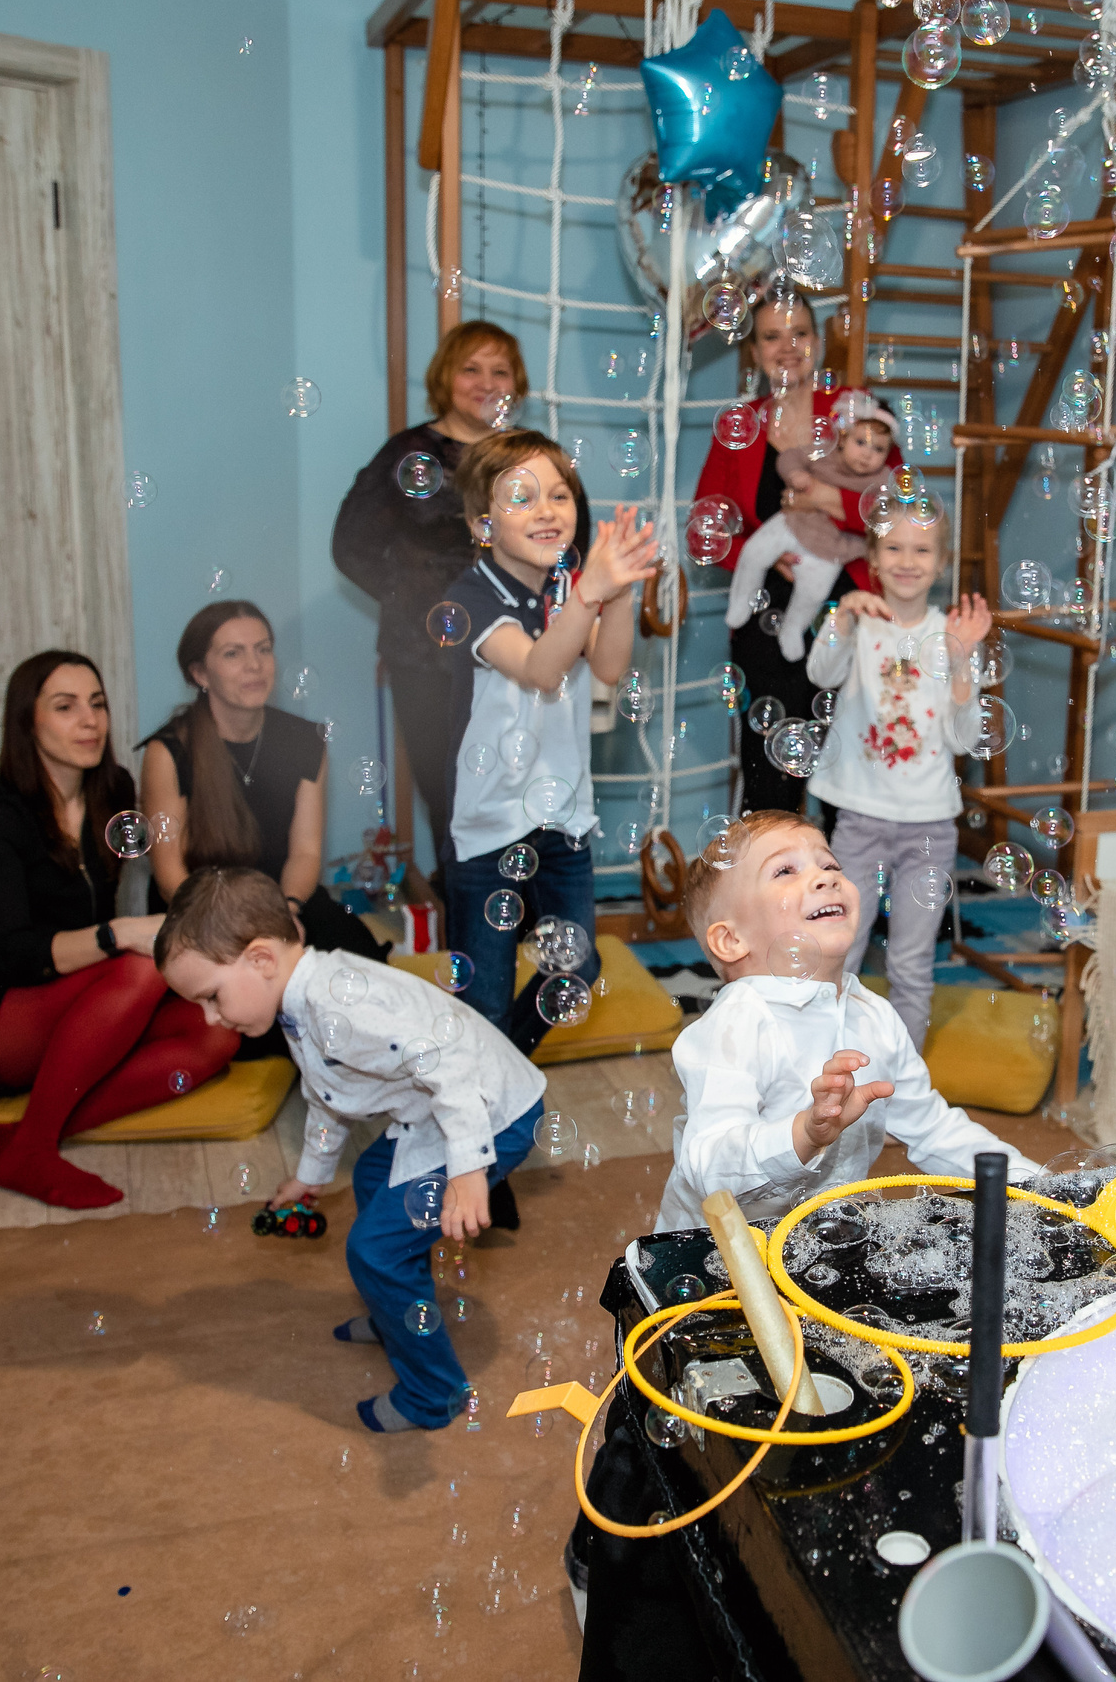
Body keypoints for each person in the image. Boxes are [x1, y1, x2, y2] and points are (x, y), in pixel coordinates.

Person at [155, 867, 545, 1434]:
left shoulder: (339, 1006)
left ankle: (434, 1394)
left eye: (211, 997)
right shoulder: (301, 1001)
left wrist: (468, 1170)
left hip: (491, 1112)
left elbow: (449, 1064)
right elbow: (328, 1097)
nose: (210, 1017)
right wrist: (310, 1178)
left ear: (262, 960)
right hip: (446, 1109)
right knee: (370, 1177)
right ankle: (399, 1312)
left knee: (372, 1250)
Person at [0, 652, 238, 1210]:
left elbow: (163, 855)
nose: (90, 721)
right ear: (29, 722)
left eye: (97, 705)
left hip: (76, 990)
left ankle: (29, 1135)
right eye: (66, 707)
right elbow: (14, 954)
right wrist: (118, 933)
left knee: (217, 1032)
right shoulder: (1, 815)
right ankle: (35, 1149)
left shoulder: (111, 790)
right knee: (139, 966)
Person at [653, 810, 1034, 1232]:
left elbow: (932, 1129)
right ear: (730, 940)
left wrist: (1037, 1185)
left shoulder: (874, 1014)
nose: (825, 877)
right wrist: (804, 1133)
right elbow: (708, 1166)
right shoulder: (737, 1024)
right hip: (718, 1257)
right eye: (784, 870)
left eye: (830, 864)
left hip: (822, 1241)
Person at [438, 430, 658, 1056]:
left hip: (560, 818)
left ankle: (496, 1071)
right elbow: (539, 668)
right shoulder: (471, 596)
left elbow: (609, 667)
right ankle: (482, 1092)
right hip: (487, 828)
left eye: (559, 495)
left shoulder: (567, 587)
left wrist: (618, 590)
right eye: (522, 497)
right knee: (482, 996)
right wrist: (590, 593)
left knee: (577, 970)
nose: (547, 510)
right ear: (484, 523)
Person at [332, 321, 529, 873]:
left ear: (518, 384)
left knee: (516, 804)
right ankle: (465, 928)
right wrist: (412, 599)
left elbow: (568, 542)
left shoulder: (529, 456)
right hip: (425, 658)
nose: (486, 382)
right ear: (445, 378)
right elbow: (351, 544)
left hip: (517, 656)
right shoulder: (407, 453)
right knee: (449, 799)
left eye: (500, 370)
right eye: (471, 368)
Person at [692, 296, 903, 813]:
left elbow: (894, 509)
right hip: (765, 616)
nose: (787, 348)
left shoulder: (856, 411)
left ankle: (840, 890)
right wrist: (767, 555)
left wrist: (818, 500)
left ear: (819, 342)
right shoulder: (740, 427)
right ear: (753, 349)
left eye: (800, 334)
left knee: (849, 774)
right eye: (771, 336)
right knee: (769, 776)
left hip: (850, 609)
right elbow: (705, 530)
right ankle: (771, 890)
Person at [804, 499, 991, 1048]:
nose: (907, 560)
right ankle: (824, 1074)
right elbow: (820, 670)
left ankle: (903, 1088)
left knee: (911, 966)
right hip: (859, 818)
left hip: (930, 827)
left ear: (942, 561)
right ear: (874, 558)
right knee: (840, 953)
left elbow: (965, 737)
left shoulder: (950, 634)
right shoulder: (861, 622)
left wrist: (962, 660)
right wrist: (841, 615)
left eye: (922, 549)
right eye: (893, 547)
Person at [139, 601, 368, 961]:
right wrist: (232, 929)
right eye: (234, 654)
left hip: (282, 899)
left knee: (359, 960)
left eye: (263, 649)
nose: (255, 665)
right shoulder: (168, 751)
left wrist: (287, 912)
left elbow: (305, 853)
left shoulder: (305, 741)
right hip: (199, 914)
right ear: (200, 674)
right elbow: (170, 876)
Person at [723, 391, 897, 662]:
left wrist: (818, 497)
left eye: (878, 449)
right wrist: (796, 475)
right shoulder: (824, 453)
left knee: (812, 594)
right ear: (842, 438)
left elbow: (884, 516)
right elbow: (789, 458)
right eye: (861, 442)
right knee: (755, 552)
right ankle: (742, 598)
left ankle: (793, 628)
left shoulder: (884, 479)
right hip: (792, 524)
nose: (867, 454)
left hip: (830, 548)